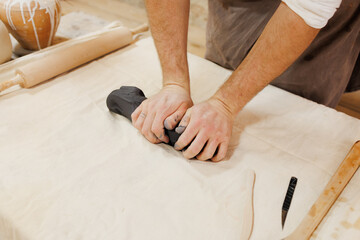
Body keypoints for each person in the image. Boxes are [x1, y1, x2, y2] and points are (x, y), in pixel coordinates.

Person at [131, 0, 360, 162]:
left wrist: (225, 104)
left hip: (319, 11)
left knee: (290, 126)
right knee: (223, 66)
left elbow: (311, 6)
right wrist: (174, 82)